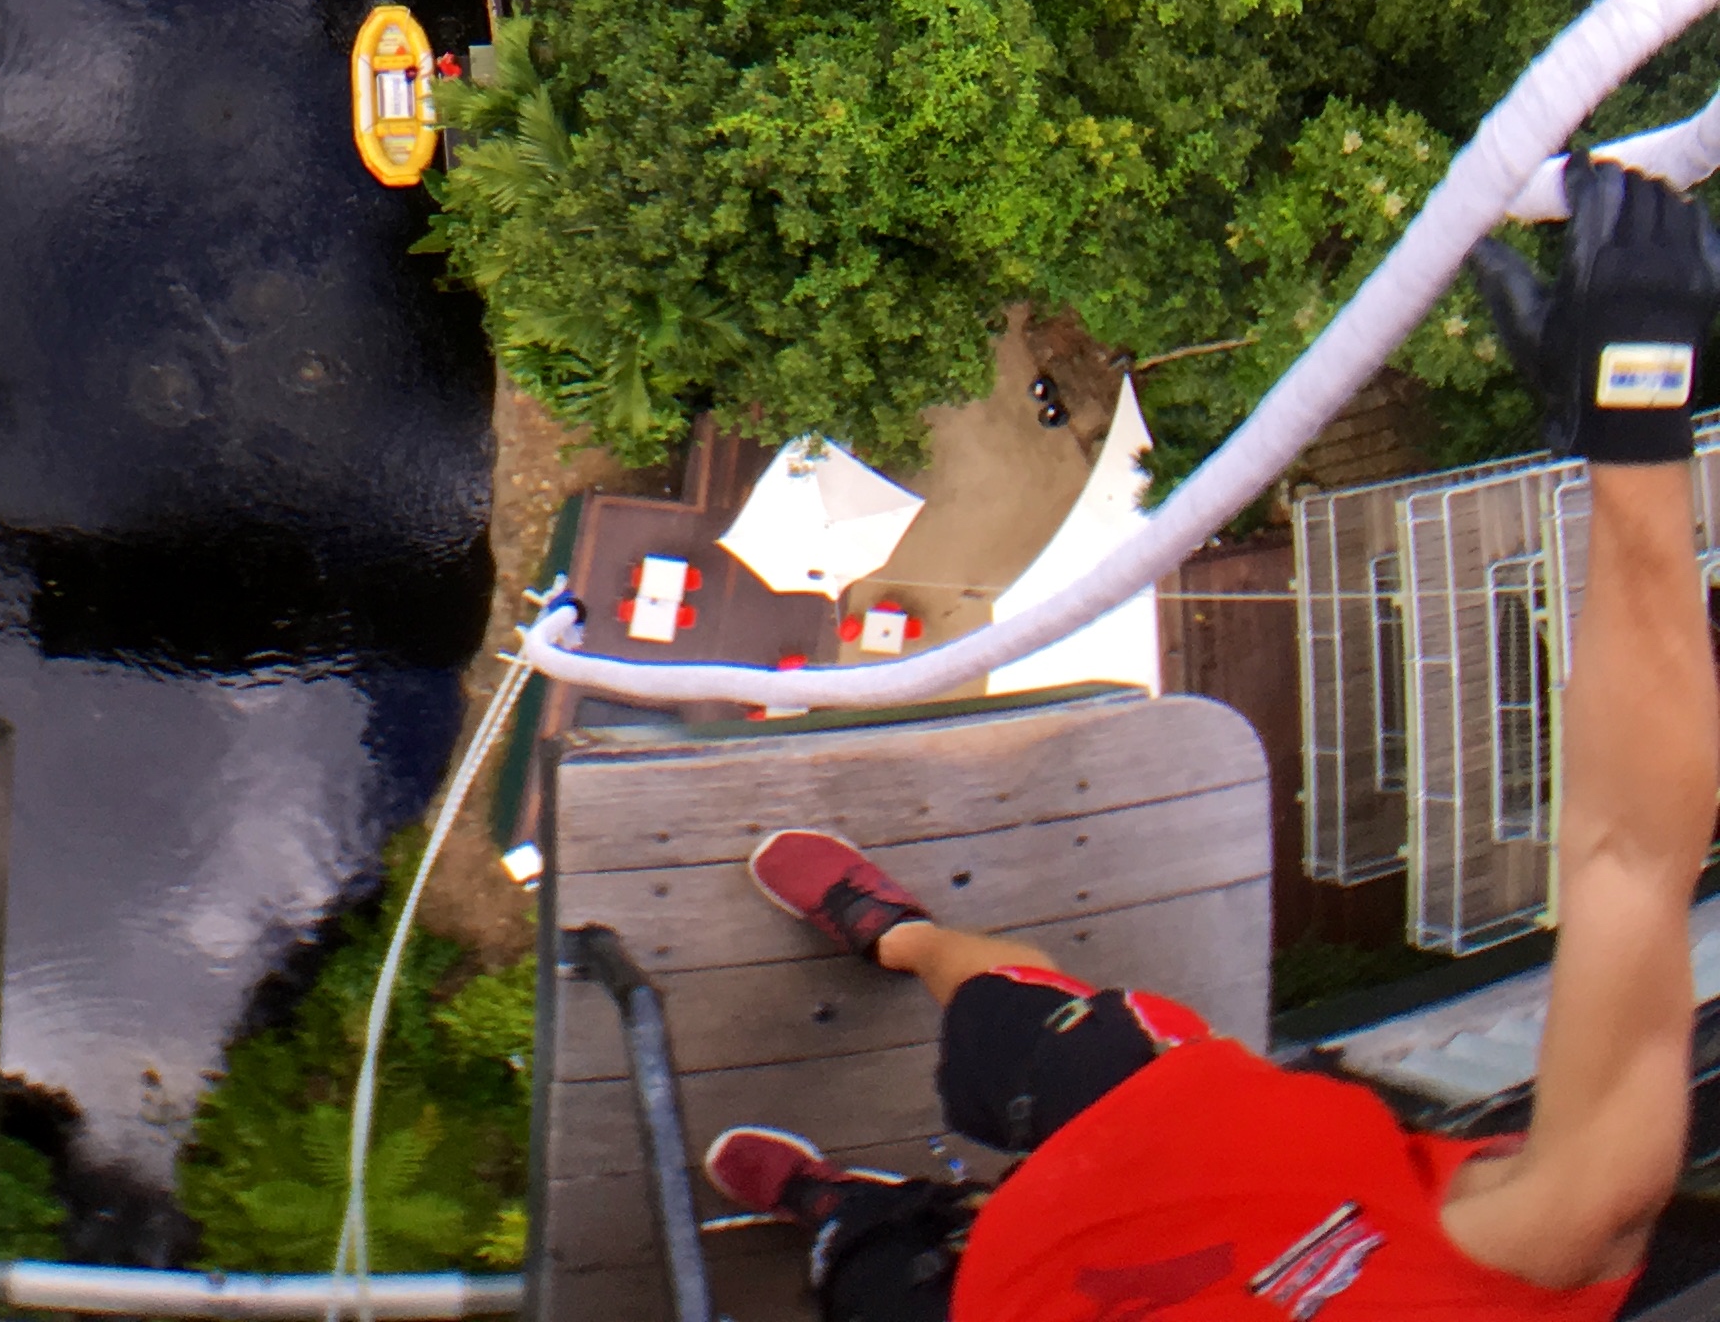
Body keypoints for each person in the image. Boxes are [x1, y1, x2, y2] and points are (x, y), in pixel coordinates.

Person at [703, 154, 1720, 1322]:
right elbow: (1632, 859)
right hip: (1184, 1138)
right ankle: (895, 934)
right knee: (996, 1002)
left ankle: (847, 1215)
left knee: (878, 1278)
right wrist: (1629, 427)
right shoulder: (1521, 1260)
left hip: (1005, 1294)